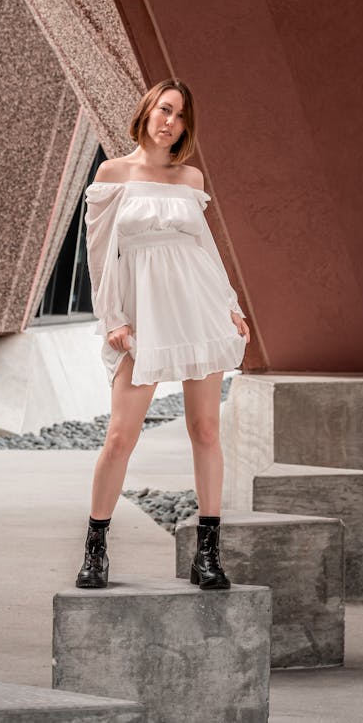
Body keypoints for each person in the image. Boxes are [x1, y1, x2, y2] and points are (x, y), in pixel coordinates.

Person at [76, 78, 250, 591]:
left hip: (198, 306)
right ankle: (96, 548)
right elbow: (98, 255)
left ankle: (208, 555)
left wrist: (230, 305)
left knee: (206, 431)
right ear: (147, 112)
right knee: (120, 436)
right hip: (143, 314)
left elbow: (206, 249)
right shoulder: (113, 174)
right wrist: (114, 318)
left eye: (178, 115)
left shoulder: (190, 178)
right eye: (163, 109)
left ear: (184, 127)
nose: (169, 120)